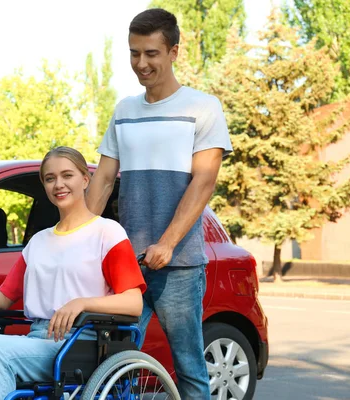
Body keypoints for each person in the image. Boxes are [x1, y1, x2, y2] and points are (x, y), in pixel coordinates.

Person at [86, 8, 233, 400]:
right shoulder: (124, 111)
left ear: (173, 52)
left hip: (179, 265)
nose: (141, 63)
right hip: (125, 263)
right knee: (109, 365)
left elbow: (203, 182)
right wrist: (77, 235)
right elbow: (101, 180)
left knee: (188, 365)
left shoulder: (202, 108)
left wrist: (167, 243)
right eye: (134, 53)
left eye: (151, 53)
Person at [0, 146, 146, 400]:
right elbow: (5, 296)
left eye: (67, 175)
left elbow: (134, 303)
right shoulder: (39, 242)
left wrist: (81, 303)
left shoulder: (107, 233)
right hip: (37, 339)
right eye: (50, 178)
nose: (59, 184)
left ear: (85, 180)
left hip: (81, 342)